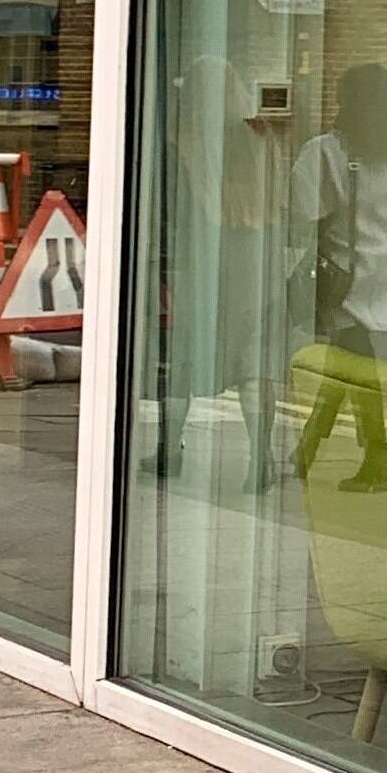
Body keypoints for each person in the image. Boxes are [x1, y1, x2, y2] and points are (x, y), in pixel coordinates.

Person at [289, 64, 387, 492]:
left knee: (356, 369)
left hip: (345, 276)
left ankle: (375, 457)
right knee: (349, 364)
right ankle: (309, 451)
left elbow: (304, 210)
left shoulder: (327, 152)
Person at [146, 56, 275, 490]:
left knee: (183, 357)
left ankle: (169, 448)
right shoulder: (260, 139)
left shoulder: (180, 142)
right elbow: (282, 207)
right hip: (253, 265)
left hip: (198, 265)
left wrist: (162, 270)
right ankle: (261, 459)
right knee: (252, 362)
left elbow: (168, 215)